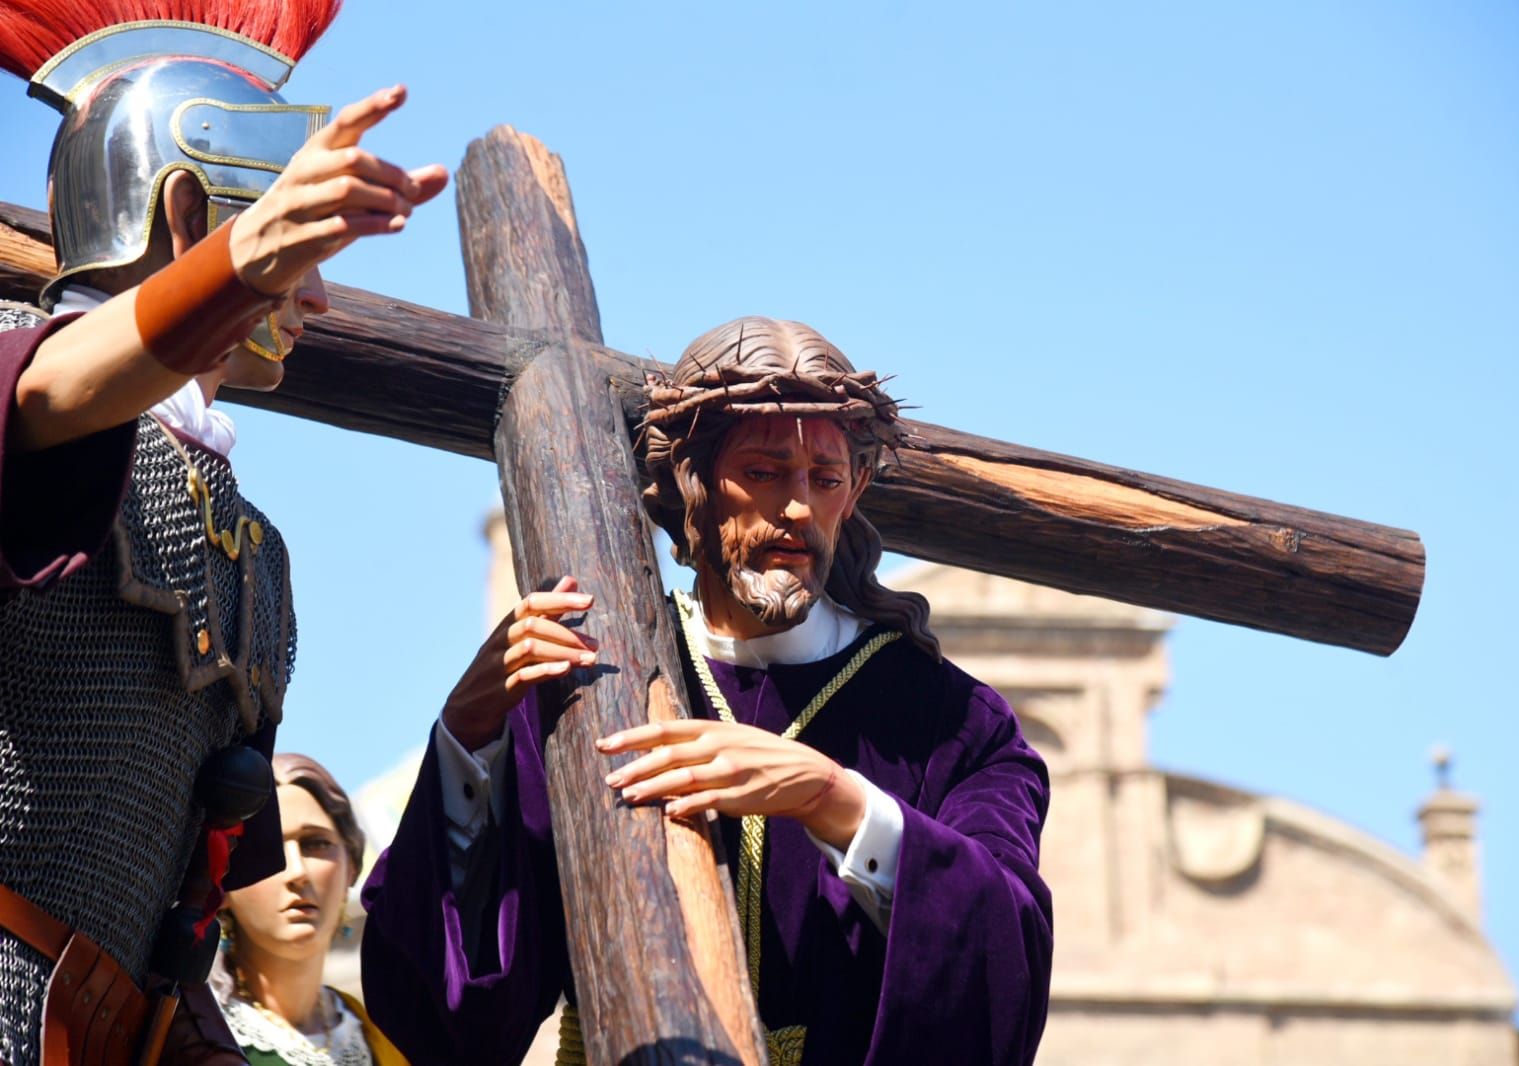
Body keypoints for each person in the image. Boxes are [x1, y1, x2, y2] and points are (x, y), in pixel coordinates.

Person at [361, 317, 1053, 1064]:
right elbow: (439, 1008)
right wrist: (467, 738)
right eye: (761, 471)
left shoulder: (954, 723)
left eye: (823, 479)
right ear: (690, 479)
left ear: (852, 493)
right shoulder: (588, 684)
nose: (795, 508)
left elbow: (1005, 968)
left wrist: (837, 800)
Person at [0, 3, 446, 1062]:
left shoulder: (262, 556)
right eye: (299, 245)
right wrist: (247, 262)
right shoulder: (24, 377)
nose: (324, 299)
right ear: (192, 218)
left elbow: (194, 900)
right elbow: (56, 389)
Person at [214, 754, 406, 1066]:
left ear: (352, 868)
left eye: (316, 844)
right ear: (222, 881)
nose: (297, 872)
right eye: (268, 850)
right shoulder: (186, 1024)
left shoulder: (384, 1040)